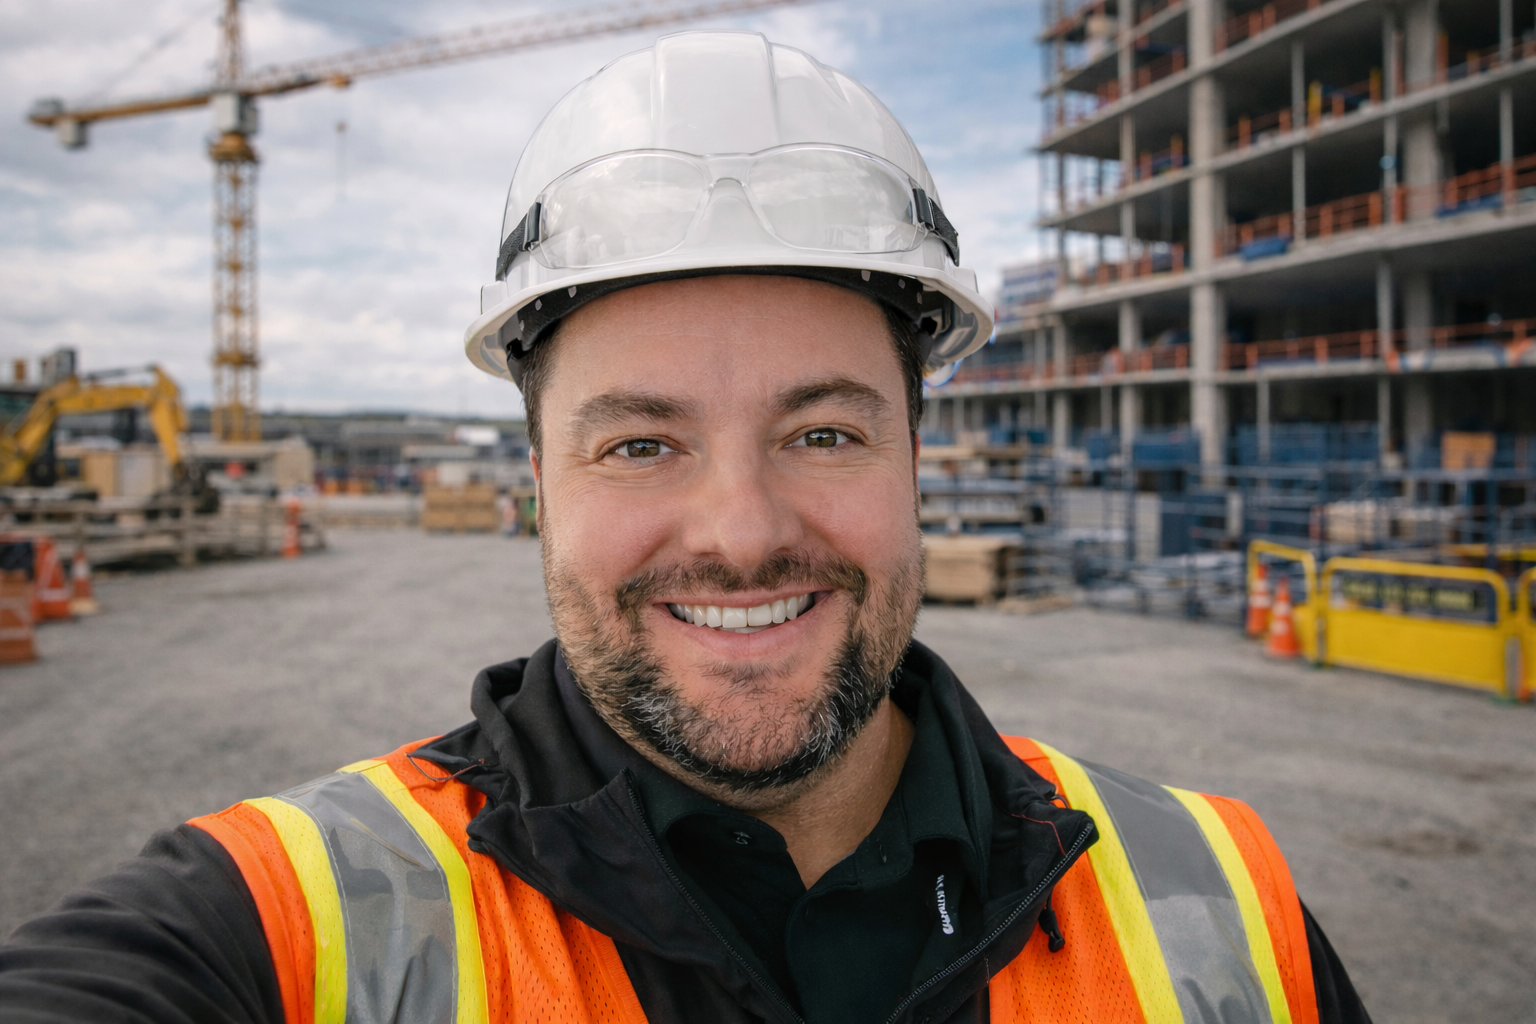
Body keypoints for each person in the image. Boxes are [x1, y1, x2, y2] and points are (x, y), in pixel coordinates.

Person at [0, 32, 1369, 1024]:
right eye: (641, 443)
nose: (740, 533)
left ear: (916, 454)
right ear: (540, 482)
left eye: (822, 432)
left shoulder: (1221, 906)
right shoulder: (286, 922)